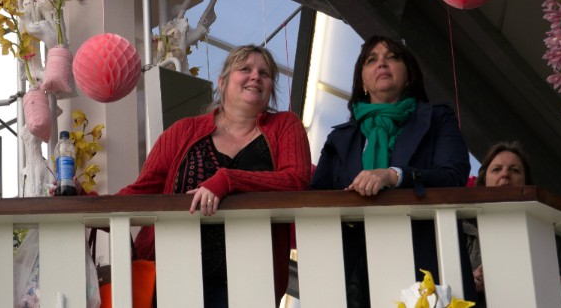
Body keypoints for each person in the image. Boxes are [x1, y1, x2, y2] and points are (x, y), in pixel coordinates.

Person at [117, 44, 312, 307]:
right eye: (245, 69)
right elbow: (141, 192)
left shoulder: (285, 125)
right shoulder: (183, 131)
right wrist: (88, 201)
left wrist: (227, 180)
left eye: (264, 73)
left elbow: (296, 181)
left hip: (251, 282)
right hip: (171, 276)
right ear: (222, 82)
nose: (256, 76)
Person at [310, 35, 470, 308]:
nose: (382, 63)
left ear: (409, 77)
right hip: (357, 272)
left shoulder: (436, 118)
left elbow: (453, 176)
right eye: (371, 60)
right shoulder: (340, 139)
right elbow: (316, 199)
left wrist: (395, 175)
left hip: (426, 260)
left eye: (392, 57)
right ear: (362, 81)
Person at [464, 141, 561, 308]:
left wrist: (560, 283)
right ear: (484, 179)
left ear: (526, 181)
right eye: (497, 169)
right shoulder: (462, 229)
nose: (505, 175)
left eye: (514, 170)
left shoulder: (549, 228)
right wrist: (472, 283)